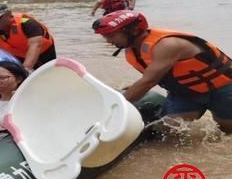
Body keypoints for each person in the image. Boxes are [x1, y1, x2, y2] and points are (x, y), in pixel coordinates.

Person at [92, 10, 232, 133]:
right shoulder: (133, 49)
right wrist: (134, 88)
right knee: (168, 129)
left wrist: (113, 110)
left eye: (111, 36)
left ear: (133, 31)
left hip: (222, 89)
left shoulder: (167, 45)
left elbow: (149, 81)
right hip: (186, 93)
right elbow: (152, 76)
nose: (108, 41)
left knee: (227, 130)